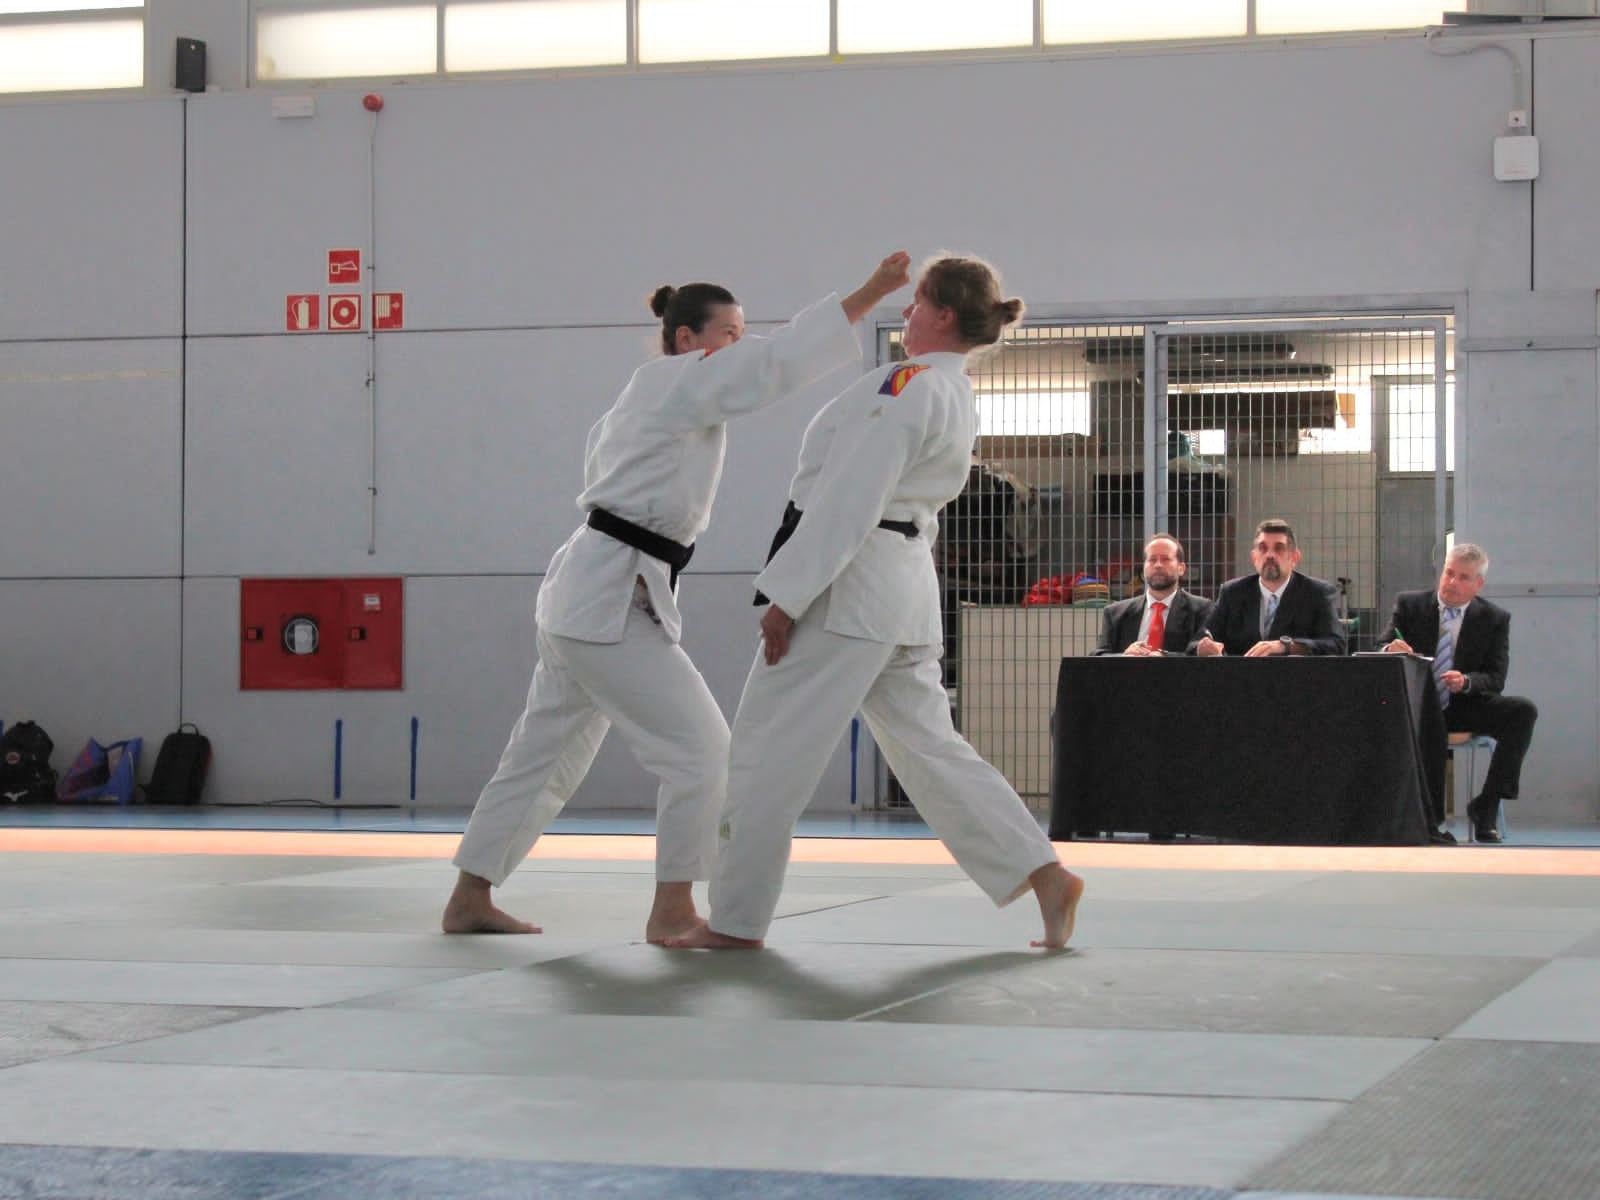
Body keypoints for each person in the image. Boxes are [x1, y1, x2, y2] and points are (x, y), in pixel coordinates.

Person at [442, 253, 914, 940]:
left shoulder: (660, 396)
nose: (739, 346)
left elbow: (763, 362)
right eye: (729, 334)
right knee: (702, 755)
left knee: (542, 757)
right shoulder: (673, 381)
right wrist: (870, 293)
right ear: (688, 339)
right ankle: (672, 909)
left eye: (743, 334)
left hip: (591, 594)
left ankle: (469, 896)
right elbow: (775, 363)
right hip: (607, 599)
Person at [666, 254, 1085, 951]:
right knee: (931, 749)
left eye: (918, 301)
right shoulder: (954, 391)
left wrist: (788, 597)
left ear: (942, 314)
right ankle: (1043, 874)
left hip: (850, 587)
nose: (908, 312)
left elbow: (850, 496)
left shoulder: (906, 384)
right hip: (901, 585)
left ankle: (735, 920)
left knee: (768, 748)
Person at [1382, 544, 1537, 844]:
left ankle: (1486, 805)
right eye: (1449, 573)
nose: (1452, 582)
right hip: (1418, 704)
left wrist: (1466, 681)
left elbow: (1495, 678)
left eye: (1463, 577)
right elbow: (1382, 643)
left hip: (1463, 703)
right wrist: (1390, 647)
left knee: (1523, 712)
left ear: (1479, 584)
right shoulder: (1410, 605)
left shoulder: (1494, 618)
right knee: (1431, 725)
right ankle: (1431, 822)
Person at [1191, 519, 1346, 657]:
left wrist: (1286, 646)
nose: (1270, 555)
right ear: (1254, 557)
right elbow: (1200, 639)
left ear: (1294, 558)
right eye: (1263, 548)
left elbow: (1335, 644)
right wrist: (1203, 648)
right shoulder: (1232, 593)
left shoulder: (1316, 593)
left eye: (1279, 548)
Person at [1095, 533, 1213, 656]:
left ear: (1181, 568)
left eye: (1166, 559)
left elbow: (1201, 655)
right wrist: (1125, 657)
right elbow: (1099, 656)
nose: (1158, 565)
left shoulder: (1201, 610)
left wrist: (1164, 657)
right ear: (1144, 568)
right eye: (1152, 560)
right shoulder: (1115, 613)